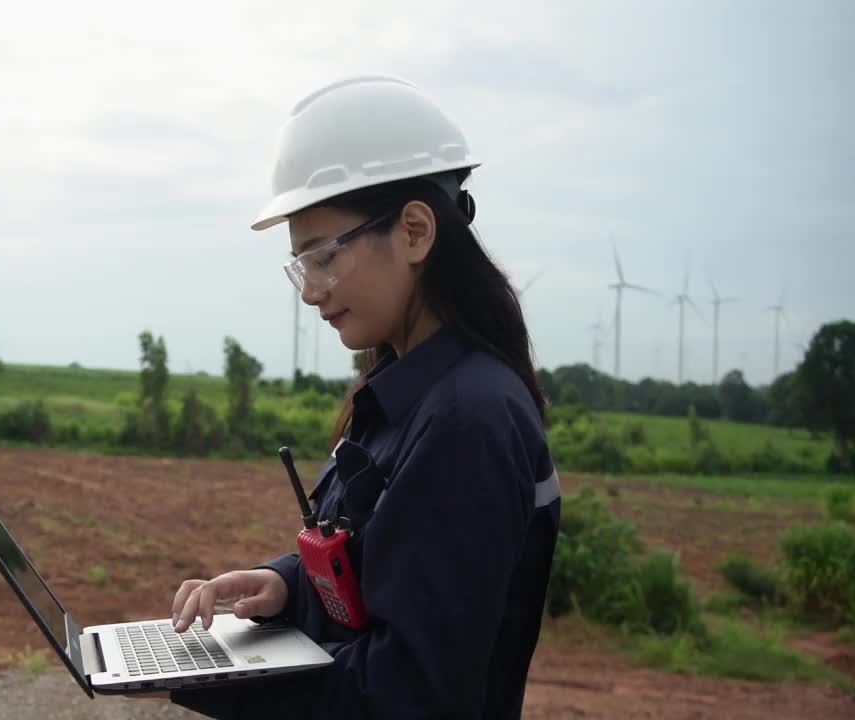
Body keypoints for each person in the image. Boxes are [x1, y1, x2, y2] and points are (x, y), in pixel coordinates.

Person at [162, 76, 562, 719]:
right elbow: (385, 568)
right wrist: (288, 585)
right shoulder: (407, 396)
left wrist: (220, 678)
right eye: (301, 265)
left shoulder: (469, 419)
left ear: (414, 231)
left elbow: (410, 692)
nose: (310, 290)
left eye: (323, 257)